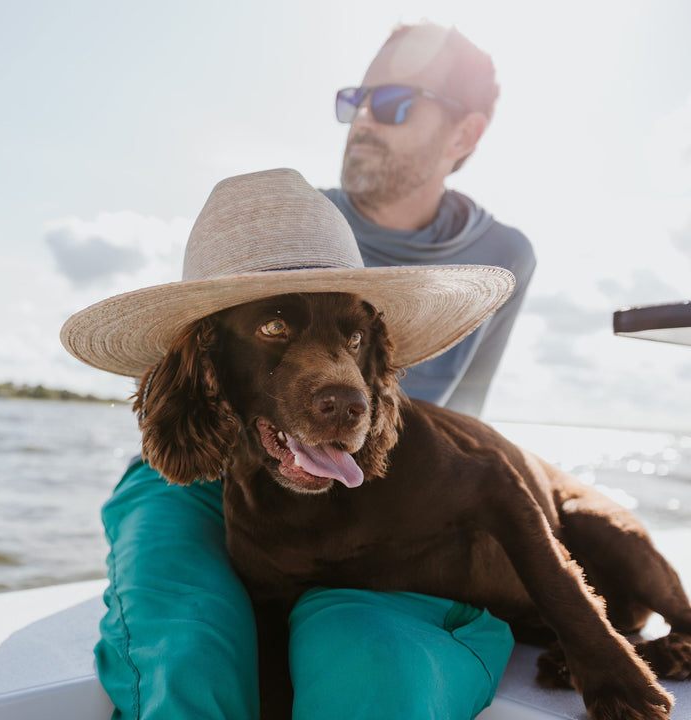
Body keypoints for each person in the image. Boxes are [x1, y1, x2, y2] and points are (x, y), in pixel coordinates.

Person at [82, 23, 535, 720]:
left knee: (369, 663)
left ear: (465, 134)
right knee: (189, 647)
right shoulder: (283, 223)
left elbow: (465, 415)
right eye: (355, 99)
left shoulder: (506, 253)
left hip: (366, 485)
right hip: (196, 467)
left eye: (395, 102)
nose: (363, 120)